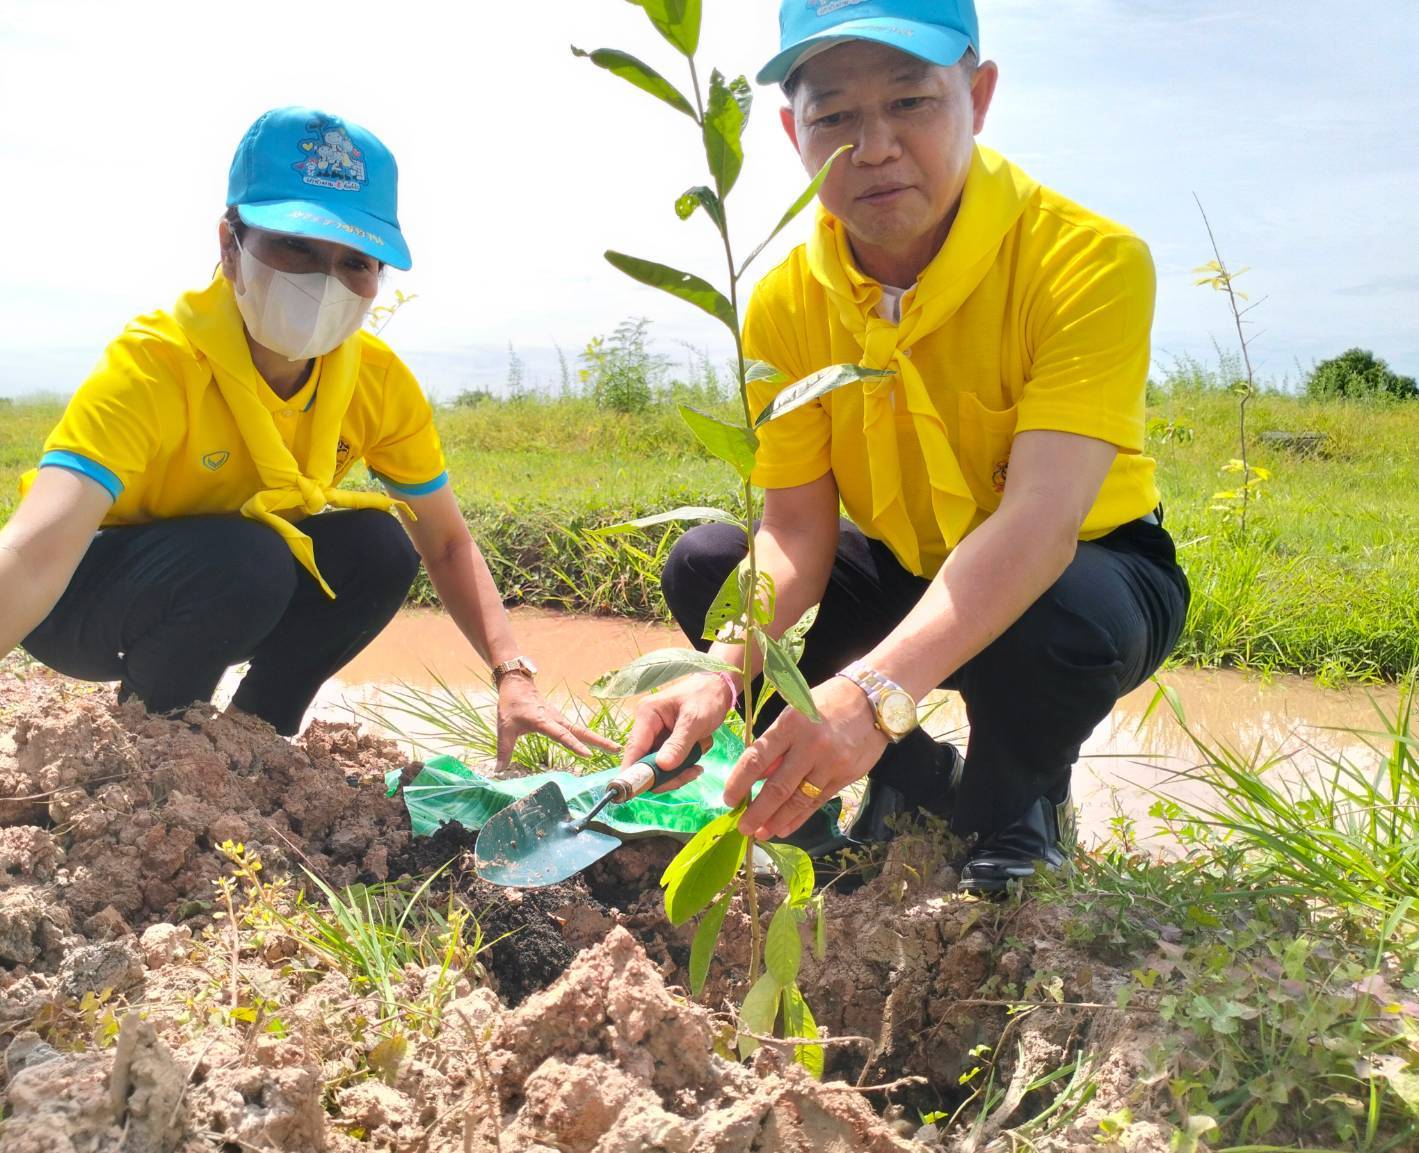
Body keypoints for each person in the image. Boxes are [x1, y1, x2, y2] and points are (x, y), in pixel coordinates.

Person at [622, 0, 1190, 894]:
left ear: (979, 93)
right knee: (710, 564)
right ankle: (909, 778)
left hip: (1079, 565)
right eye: (835, 116)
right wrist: (718, 671)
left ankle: (1017, 803)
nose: (874, 146)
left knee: (1063, 617)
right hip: (905, 561)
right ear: (791, 132)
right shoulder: (782, 300)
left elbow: (1040, 524)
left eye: (911, 101)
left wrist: (872, 695)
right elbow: (796, 531)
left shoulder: (1085, 261)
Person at [0, 106, 616, 769]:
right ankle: (156, 747)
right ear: (228, 243)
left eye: (355, 261)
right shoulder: (157, 364)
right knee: (246, 557)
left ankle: (253, 742)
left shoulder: (376, 384)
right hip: (87, 596)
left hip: (230, 582)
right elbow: (38, 551)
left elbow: (445, 539)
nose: (323, 281)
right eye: (294, 245)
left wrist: (511, 674)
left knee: (380, 547)